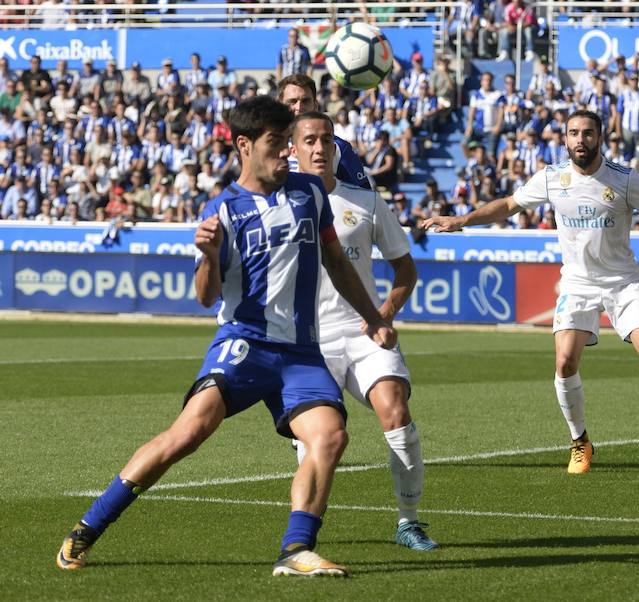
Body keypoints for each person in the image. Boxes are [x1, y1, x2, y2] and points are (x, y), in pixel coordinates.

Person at [56, 96, 397, 578]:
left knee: (330, 436)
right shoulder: (224, 209)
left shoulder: (309, 193)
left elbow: (336, 263)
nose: (287, 152)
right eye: (277, 143)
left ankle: (296, 549)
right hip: (246, 344)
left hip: (301, 352)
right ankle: (88, 527)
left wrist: (374, 317)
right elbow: (205, 295)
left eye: (288, 142)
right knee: (188, 433)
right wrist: (211, 257)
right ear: (244, 145)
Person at [424, 110, 639, 475]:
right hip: (577, 283)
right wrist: (461, 220)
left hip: (622, 282)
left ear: (600, 138)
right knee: (565, 361)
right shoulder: (552, 178)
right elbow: (509, 204)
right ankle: (580, 441)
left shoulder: (625, 178)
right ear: (565, 139)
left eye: (587, 133)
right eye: (573, 133)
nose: (580, 139)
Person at [291, 111, 437, 550]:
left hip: (363, 332)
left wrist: (384, 314)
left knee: (395, 409)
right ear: (294, 149)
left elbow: (405, 269)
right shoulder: (280, 205)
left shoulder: (366, 201)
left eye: (327, 140)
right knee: (317, 439)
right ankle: (304, 536)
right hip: (308, 341)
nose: (320, 148)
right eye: (310, 141)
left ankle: (408, 522)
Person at [276, 74, 371, 189]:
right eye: (292, 101)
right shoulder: (267, 146)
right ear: (279, 106)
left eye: (305, 101)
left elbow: (364, 193)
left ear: (315, 106)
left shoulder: (338, 148)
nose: (299, 107)